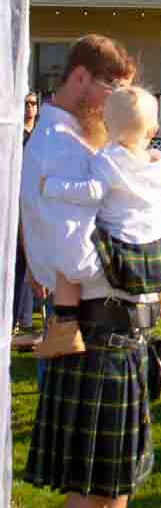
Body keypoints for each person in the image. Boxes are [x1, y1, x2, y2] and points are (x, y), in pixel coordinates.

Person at [21, 35, 159, 508]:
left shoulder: (86, 141)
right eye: (112, 89)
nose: (117, 103)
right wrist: (145, 263)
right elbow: (72, 254)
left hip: (120, 331)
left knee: (119, 474)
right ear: (81, 79)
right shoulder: (56, 145)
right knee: (91, 486)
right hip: (95, 333)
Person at [36, 84, 161, 359]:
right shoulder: (157, 163)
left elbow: (93, 191)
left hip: (120, 240)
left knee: (67, 266)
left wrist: (53, 185)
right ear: (154, 129)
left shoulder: (108, 158)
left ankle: (64, 329)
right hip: (157, 244)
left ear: (106, 123)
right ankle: (160, 298)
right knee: (156, 249)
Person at [13, 91, 40, 334]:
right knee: (19, 260)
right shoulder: (14, 135)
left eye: (33, 103)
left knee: (37, 259)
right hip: (17, 200)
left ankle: (30, 315)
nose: (30, 107)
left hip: (38, 200)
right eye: (26, 103)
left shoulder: (40, 136)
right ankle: (18, 319)